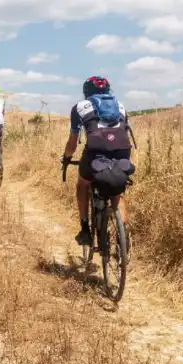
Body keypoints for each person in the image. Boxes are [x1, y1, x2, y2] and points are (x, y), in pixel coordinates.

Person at [61, 76, 134, 246]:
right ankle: (124, 237)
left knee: (83, 184)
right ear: (108, 91)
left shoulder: (80, 107)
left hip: (95, 152)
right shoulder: (121, 106)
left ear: (86, 92)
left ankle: (85, 228)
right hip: (122, 150)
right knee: (117, 192)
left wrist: (67, 158)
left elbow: (73, 141)